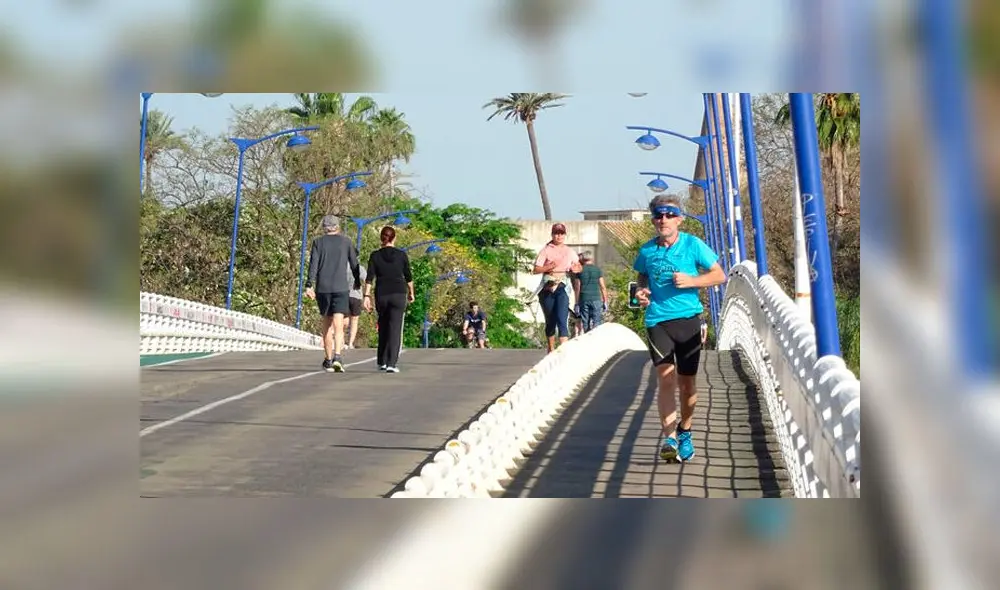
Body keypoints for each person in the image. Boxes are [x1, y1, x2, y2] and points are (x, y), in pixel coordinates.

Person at [632, 195, 726, 462]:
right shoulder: (647, 250)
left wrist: (692, 280)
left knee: (687, 384)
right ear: (653, 220)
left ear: (680, 219)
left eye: (669, 215)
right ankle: (670, 438)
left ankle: (685, 430)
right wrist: (641, 291)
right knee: (665, 378)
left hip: (688, 320)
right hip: (657, 320)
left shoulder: (693, 245)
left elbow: (719, 275)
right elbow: (642, 275)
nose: (663, 220)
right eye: (658, 215)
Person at [304, 215, 361, 373]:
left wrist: (309, 285)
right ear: (338, 227)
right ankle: (338, 356)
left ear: (324, 228)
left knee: (327, 324)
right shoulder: (346, 242)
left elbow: (313, 265)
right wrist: (357, 281)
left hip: (323, 288)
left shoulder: (318, 242)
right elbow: (354, 264)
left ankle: (328, 360)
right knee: (339, 324)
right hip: (340, 287)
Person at [362, 226, 414, 373]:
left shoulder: (375, 256)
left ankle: (382, 361)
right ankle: (391, 363)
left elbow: (369, 277)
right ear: (394, 238)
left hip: (382, 294)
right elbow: (408, 276)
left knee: (383, 326)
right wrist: (411, 293)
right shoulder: (401, 255)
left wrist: (366, 296)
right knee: (395, 329)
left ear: (381, 238)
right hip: (398, 293)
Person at [532, 222, 582, 352]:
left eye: (561, 234)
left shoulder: (569, 251)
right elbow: (536, 269)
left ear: (565, 235)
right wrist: (548, 267)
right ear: (552, 235)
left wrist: (575, 268)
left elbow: (578, 266)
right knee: (550, 320)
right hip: (548, 287)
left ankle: (563, 351)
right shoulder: (546, 250)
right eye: (556, 233)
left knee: (562, 318)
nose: (559, 236)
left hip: (562, 286)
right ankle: (551, 348)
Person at [571, 250, 608, 333]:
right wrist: (605, 301)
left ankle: (587, 335)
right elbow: (603, 287)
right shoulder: (597, 270)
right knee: (596, 322)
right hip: (596, 299)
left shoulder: (579, 270)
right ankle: (596, 338)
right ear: (592, 258)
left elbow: (577, 287)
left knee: (585, 322)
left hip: (584, 298)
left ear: (583, 259)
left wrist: (576, 303)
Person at [345, 263, 368, 349]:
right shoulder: (360, 268)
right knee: (354, 320)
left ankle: (341, 341)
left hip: (344, 295)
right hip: (356, 296)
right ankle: (350, 343)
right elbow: (367, 280)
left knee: (344, 319)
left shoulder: (342, 266)